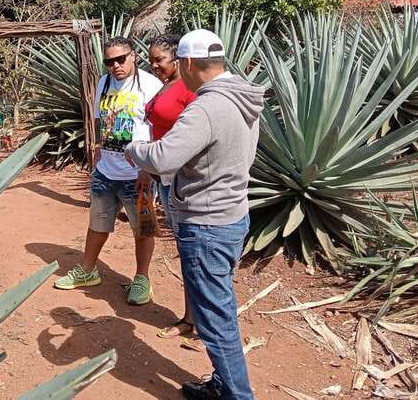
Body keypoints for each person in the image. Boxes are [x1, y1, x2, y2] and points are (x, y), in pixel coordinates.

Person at [125, 29, 265, 400]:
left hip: (206, 223)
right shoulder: (242, 96)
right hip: (233, 213)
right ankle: (223, 383)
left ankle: (236, 395)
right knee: (217, 305)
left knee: (215, 318)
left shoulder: (206, 107)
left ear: (186, 63)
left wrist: (134, 149)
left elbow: (163, 157)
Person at [54, 36, 163, 305]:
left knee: (144, 229)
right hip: (106, 171)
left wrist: (148, 168)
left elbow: (160, 127)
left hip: (138, 174)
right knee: (98, 223)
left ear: (134, 56)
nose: (115, 65)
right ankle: (88, 270)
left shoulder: (151, 85)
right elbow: (98, 117)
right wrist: (98, 144)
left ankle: (142, 278)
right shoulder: (103, 83)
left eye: (120, 59)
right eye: (109, 61)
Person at [145, 35, 197, 339]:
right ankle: (190, 317)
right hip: (164, 178)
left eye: (159, 60)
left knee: (191, 249)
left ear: (177, 59)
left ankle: (199, 321)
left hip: (181, 177)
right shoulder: (166, 85)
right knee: (184, 247)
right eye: (151, 60)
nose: (154, 66)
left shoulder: (189, 90)